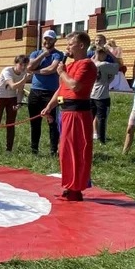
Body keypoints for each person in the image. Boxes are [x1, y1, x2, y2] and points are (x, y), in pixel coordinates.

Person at [40, 31, 96, 201]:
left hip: (78, 113)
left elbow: (76, 86)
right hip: (65, 112)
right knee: (64, 151)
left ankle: (76, 188)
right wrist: (49, 107)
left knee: (76, 151)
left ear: (81, 46)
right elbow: (61, 90)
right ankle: (69, 184)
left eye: (70, 44)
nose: (67, 48)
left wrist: (62, 72)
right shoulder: (69, 67)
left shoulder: (86, 64)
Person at [27, 29, 65, 156]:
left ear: (55, 40)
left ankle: (53, 150)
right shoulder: (35, 53)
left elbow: (51, 69)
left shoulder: (58, 54)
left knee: (52, 122)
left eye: (50, 39)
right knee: (34, 122)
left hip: (51, 93)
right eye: (45, 38)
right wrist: (43, 55)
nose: (47, 41)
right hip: (35, 91)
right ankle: (34, 149)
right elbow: (29, 66)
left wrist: (36, 71)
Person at [0, 54, 29, 153]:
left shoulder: (23, 73)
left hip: (12, 99)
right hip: (0, 98)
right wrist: (24, 80)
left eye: (25, 65)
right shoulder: (7, 71)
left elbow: (21, 90)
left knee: (10, 124)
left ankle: (9, 149)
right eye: (21, 64)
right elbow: (13, 86)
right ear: (16, 63)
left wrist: (19, 102)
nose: (23, 67)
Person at [91, 46, 120, 143]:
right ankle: (102, 139)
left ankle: (87, 135)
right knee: (102, 118)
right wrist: (111, 54)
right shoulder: (104, 64)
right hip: (102, 95)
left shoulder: (91, 63)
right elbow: (118, 65)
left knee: (90, 117)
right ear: (103, 54)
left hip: (91, 94)